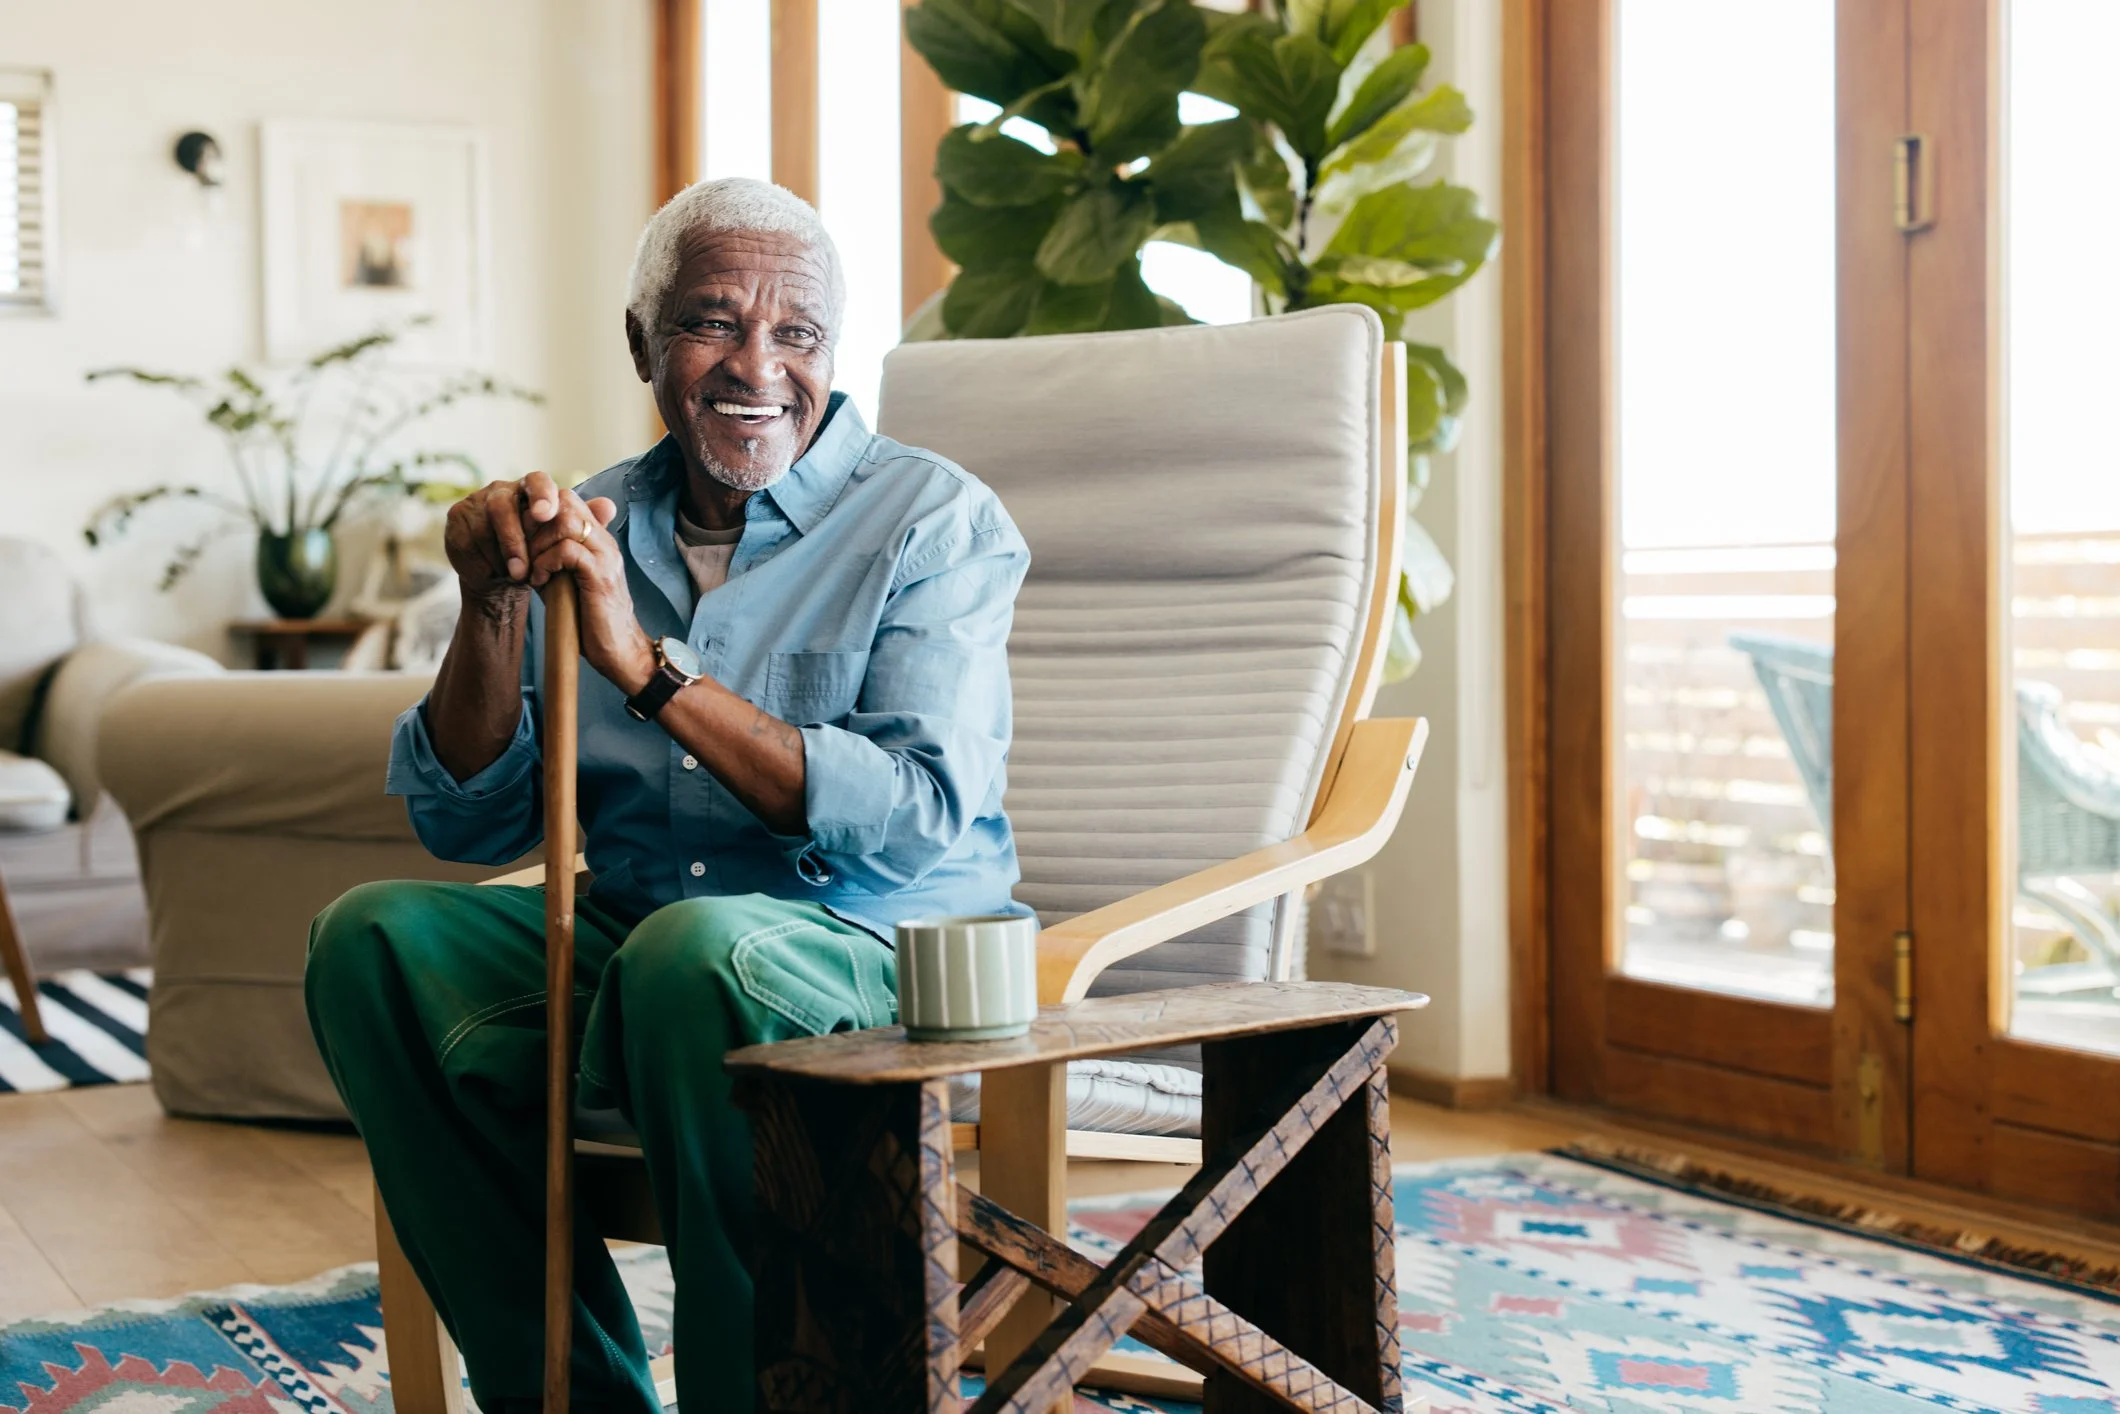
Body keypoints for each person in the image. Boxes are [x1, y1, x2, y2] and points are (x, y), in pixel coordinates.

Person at [304, 177, 1030, 1414]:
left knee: (690, 952)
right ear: (643, 341)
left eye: (794, 332)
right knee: (371, 937)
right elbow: (467, 818)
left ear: (829, 351)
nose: (758, 365)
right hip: (646, 948)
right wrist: (491, 607)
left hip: (883, 955)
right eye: (712, 322)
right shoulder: (597, 519)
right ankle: (568, 1398)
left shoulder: (933, 520)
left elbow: (915, 808)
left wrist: (647, 674)